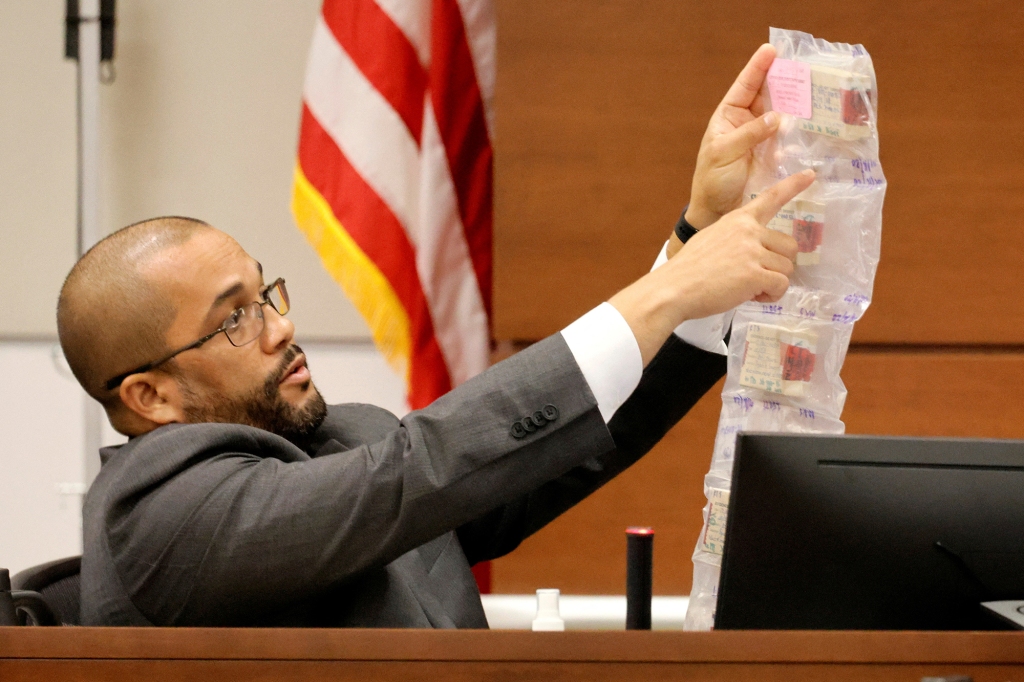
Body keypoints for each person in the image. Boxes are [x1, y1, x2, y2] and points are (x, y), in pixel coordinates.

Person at [60, 45, 812, 626]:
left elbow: (548, 451)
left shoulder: (348, 438)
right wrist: (667, 289)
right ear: (149, 395)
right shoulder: (157, 512)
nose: (281, 327)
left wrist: (698, 238)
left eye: (267, 295)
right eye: (236, 318)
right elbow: (416, 473)